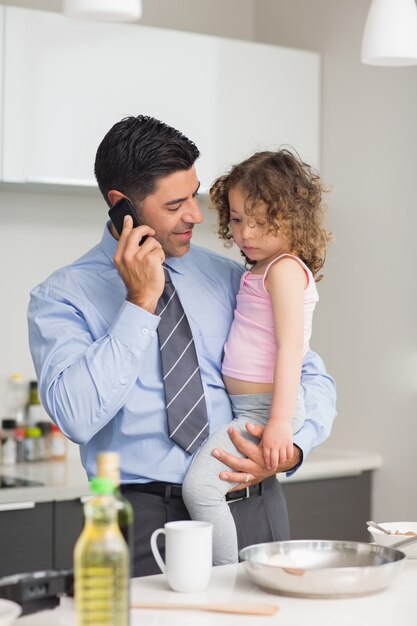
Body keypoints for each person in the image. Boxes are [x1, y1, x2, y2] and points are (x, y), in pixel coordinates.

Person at [27, 115, 336, 577]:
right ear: (122, 205)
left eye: (193, 195)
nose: (195, 214)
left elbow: (311, 374)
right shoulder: (61, 297)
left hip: (252, 505)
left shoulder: (235, 277)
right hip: (143, 522)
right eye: (176, 203)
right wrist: (140, 302)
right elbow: (76, 415)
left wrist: (293, 446)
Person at [183, 149, 332, 564]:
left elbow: (290, 350)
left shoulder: (283, 269)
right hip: (251, 408)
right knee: (210, 488)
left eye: (261, 221)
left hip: (268, 410)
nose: (246, 233)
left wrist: (281, 424)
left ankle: (224, 577)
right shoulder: (258, 270)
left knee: (200, 490)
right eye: (236, 219)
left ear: (293, 220)